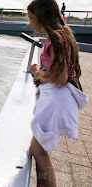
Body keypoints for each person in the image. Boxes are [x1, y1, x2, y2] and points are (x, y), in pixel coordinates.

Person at [27, 0, 88, 186]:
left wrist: (37, 71)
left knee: (39, 152)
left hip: (55, 102)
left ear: (42, 16)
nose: (29, 22)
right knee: (37, 149)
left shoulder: (55, 39)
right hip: (58, 99)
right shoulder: (63, 35)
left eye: (31, 18)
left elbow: (60, 77)